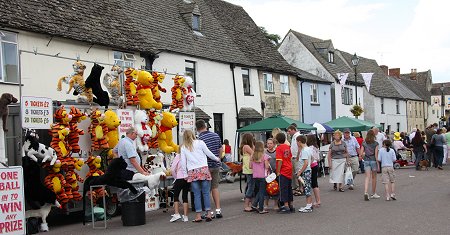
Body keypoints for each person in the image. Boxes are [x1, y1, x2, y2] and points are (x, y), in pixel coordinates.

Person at [179, 129, 220, 222]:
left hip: (192, 171)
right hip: (203, 169)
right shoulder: (200, 143)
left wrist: (185, 174)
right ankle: (209, 213)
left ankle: (198, 215)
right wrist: (217, 159)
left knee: (196, 194)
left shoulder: (183, 147)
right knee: (206, 193)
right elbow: (208, 153)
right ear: (193, 135)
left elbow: (183, 162)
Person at [196, 120, 224, 218]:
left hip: (205, 166)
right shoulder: (216, 135)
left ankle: (209, 212)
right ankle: (218, 210)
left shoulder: (199, 139)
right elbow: (221, 149)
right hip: (215, 165)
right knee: (215, 188)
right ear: (205, 126)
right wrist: (219, 159)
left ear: (197, 129)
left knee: (205, 190)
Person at [275, 132, 294, 213]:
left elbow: (279, 161)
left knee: (283, 188)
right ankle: (291, 205)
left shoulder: (279, 148)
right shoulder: (287, 146)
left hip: (283, 169)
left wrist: (278, 171)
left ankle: (285, 205)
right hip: (289, 167)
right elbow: (290, 157)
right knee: (289, 187)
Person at [249, 141, 269, 214]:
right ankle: (261, 208)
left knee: (259, 191)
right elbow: (266, 166)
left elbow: (250, 166)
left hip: (255, 175)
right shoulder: (264, 156)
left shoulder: (252, 155)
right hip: (263, 176)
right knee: (262, 192)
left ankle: (254, 204)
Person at [360, 129, 380, 201]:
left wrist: (363, 156)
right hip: (373, 161)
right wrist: (378, 164)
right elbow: (376, 155)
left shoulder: (364, 143)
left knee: (367, 177)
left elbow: (361, 154)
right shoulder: (376, 144)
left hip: (366, 161)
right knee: (374, 178)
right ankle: (373, 193)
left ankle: (365, 192)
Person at [169, 153, 189, 222]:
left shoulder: (178, 156)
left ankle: (177, 213)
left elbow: (172, 169)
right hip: (187, 178)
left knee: (176, 195)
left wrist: (176, 177)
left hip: (179, 177)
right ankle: (185, 216)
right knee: (185, 196)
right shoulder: (188, 155)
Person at [296, 135, 313, 213]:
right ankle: (308, 204)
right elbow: (312, 159)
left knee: (307, 188)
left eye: (297, 142)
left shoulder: (304, 151)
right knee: (307, 187)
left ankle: (309, 205)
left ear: (299, 142)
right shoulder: (308, 149)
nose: (296, 143)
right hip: (308, 170)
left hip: (305, 171)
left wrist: (300, 171)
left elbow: (305, 163)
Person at [240, 133, 255, 212]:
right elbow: (253, 153)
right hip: (249, 169)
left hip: (250, 169)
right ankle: (246, 205)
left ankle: (252, 204)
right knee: (251, 186)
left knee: (251, 186)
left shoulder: (247, 146)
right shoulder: (246, 146)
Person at [306, 134, 321, 208]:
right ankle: (318, 200)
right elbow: (318, 158)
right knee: (315, 183)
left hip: (312, 166)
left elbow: (311, 157)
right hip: (315, 165)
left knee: (313, 184)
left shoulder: (310, 148)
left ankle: (317, 201)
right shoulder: (316, 147)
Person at [264, 138, 278, 210]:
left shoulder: (276, 152)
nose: (269, 145)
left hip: (275, 173)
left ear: (274, 144)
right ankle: (266, 204)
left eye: (271, 143)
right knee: (266, 188)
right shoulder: (265, 152)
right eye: (268, 143)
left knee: (275, 188)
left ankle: (276, 204)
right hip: (267, 173)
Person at [287, 125, 301, 195]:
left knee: (297, 173)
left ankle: (299, 188)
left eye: (289, 131)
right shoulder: (294, 137)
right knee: (295, 174)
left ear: (293, 130)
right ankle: (297, 188)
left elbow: (299, 147)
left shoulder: (297, 136)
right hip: (294, 157)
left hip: (296, 157)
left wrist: (298, 156)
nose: (288, 133)